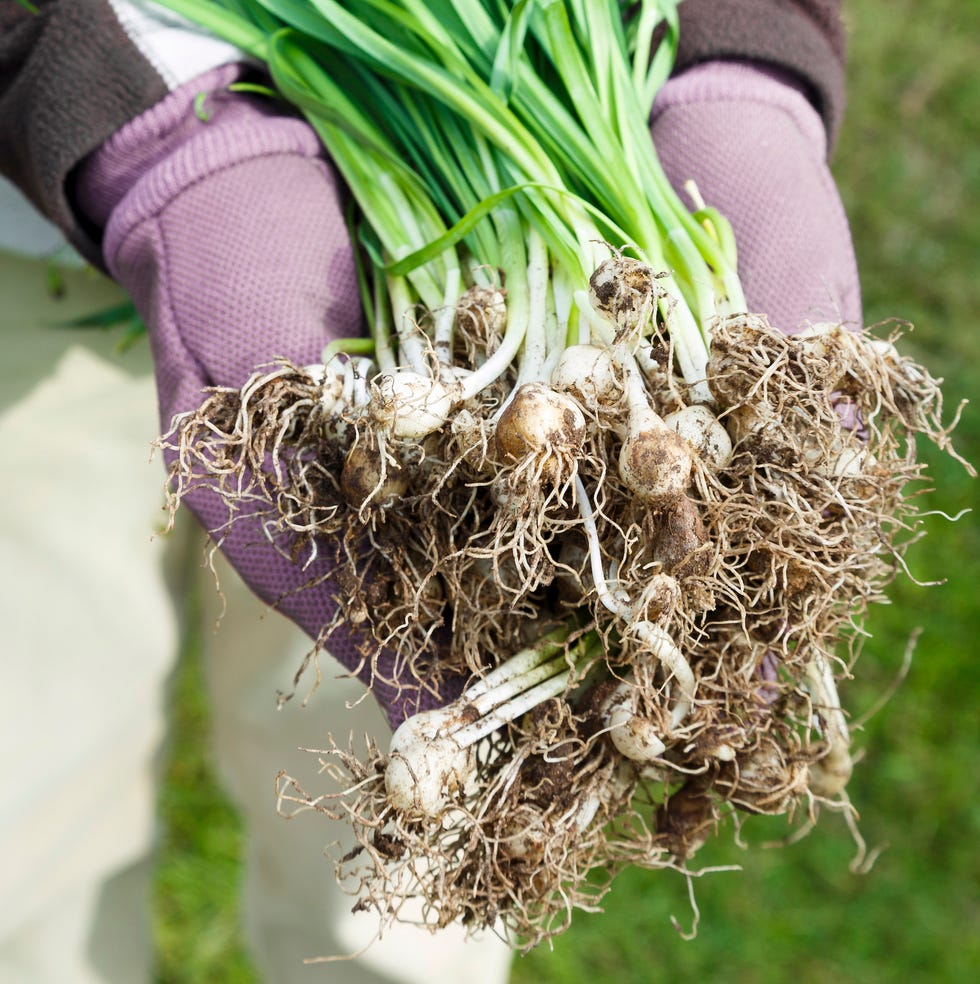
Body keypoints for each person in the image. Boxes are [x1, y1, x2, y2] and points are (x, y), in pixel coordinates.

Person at [0, 1, 861, 981]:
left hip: (386, 362)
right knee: (23, 784)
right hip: (36, 226)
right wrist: (146, 126)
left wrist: (740, 54)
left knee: (400, 861)